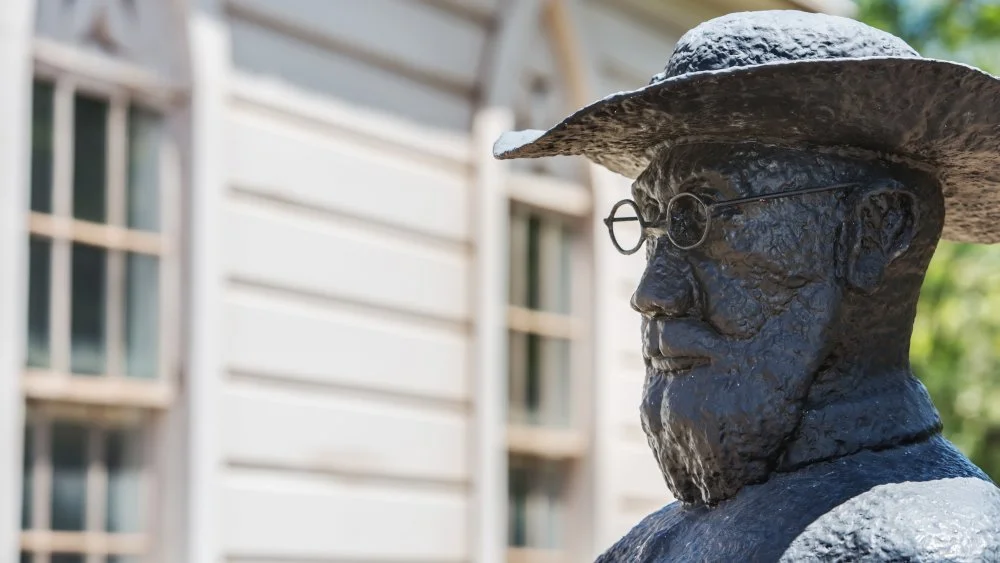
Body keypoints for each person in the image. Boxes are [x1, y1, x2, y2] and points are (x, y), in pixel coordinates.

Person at [494, 10, 1000, 562]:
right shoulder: (646, 546)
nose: (652, 291)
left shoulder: (931, 547)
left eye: (703, 219)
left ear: (876, 232)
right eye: (652, 223)